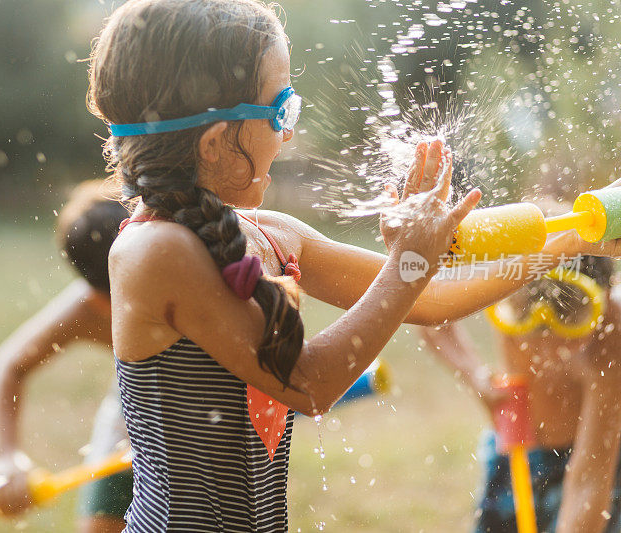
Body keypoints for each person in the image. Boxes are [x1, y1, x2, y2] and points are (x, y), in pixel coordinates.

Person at [88, 0, 621, 530]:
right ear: (214, 142)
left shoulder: (272, 233)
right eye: (283, 111)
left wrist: (568, 240)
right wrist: (408, 263)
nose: (290, 133)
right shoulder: (153, 252)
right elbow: (308, 384)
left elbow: (429, 303)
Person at [420, 256, 621, 532]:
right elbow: (428, 309)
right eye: (532, 338)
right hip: (514, 453)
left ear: (604, 298)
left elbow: (590, 481)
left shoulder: (611, 336)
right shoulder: (512, 284)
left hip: (592, 459)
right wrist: (475, 375)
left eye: (569, 337)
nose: (547, 353)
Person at [0, 180, 131, 533]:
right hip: (135, 401)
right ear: (100, 298)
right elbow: (12, 365)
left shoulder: (192, 278)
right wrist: (6, 458)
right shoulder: (87, 308)